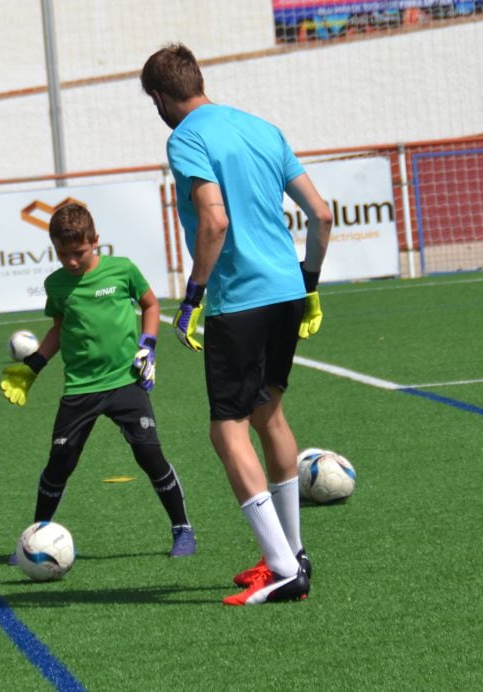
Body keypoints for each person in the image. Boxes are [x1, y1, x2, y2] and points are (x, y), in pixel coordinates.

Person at [141, 43, 333, 606]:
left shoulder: (186, 138)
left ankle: (281, 568)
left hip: (239, 300)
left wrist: (194, 295)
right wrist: (312, 282)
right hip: (288, 292)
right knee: (269, 413)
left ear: (160, 98)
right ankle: (292, 554)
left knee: (226, 430)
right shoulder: (262, 127)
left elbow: (214, 219)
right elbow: (321, 215)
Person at [0, 203, 195, 560]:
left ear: (96, 242)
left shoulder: (122, 270)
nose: (71, 261)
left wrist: (148, 346)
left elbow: (151, 306)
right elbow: (60, 329)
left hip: (125, 381)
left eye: (79, 252)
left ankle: (182, 529)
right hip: (80, 387)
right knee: (60, 463)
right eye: (63, 254)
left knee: (150, 455)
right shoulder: (55, 284)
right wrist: (34, 367)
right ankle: (34, 537)